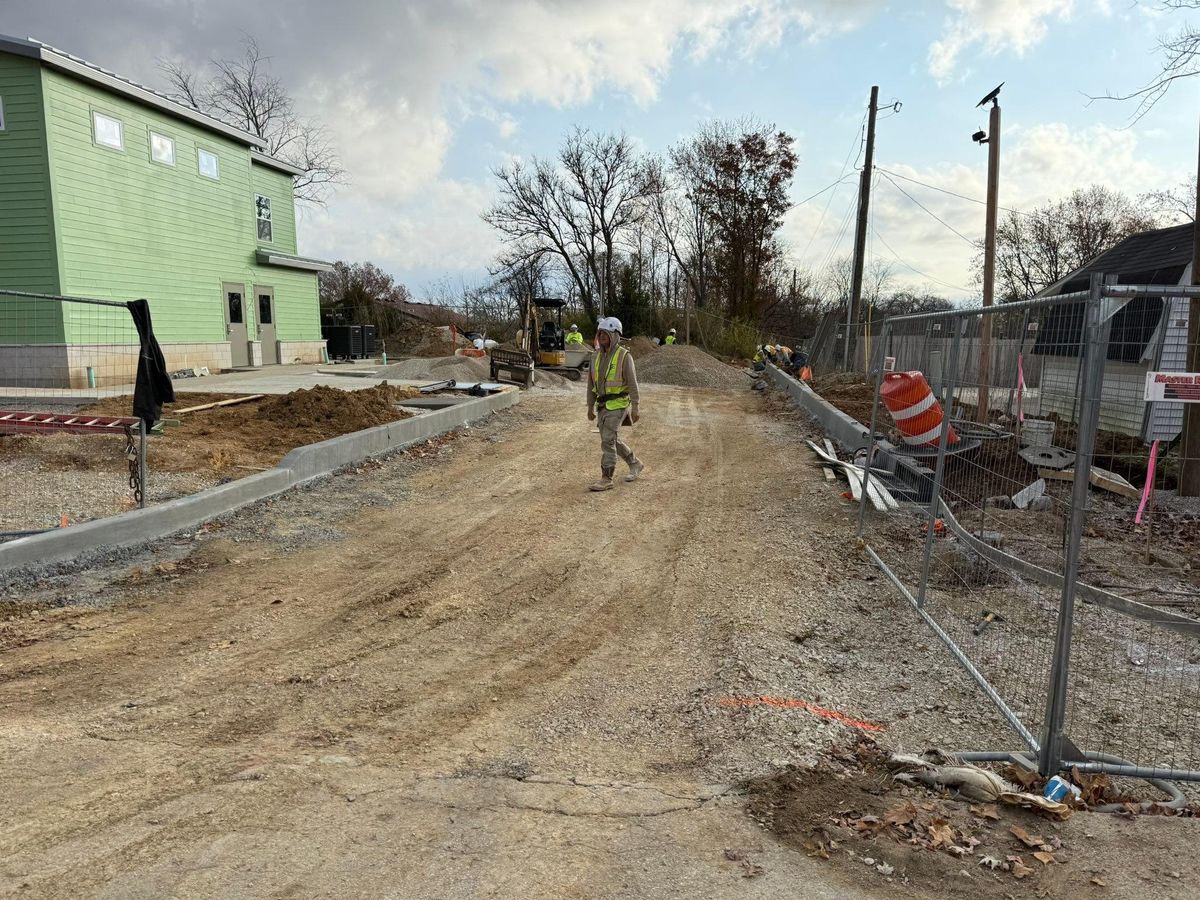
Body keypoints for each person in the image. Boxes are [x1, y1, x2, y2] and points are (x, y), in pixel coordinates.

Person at [586, 316, 644, 491]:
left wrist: (636, 406)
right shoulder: (595, 356)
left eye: (606, 333)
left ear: (616, 335)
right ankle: (635, 463)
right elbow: (591, 384)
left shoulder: (624, 356)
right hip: (603, 406)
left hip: (618, 404)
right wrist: (590, 406)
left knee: (608, 441)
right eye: (600, 333)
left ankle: (606, 477)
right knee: (611, 439)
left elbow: (633, 384)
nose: (602, 336)